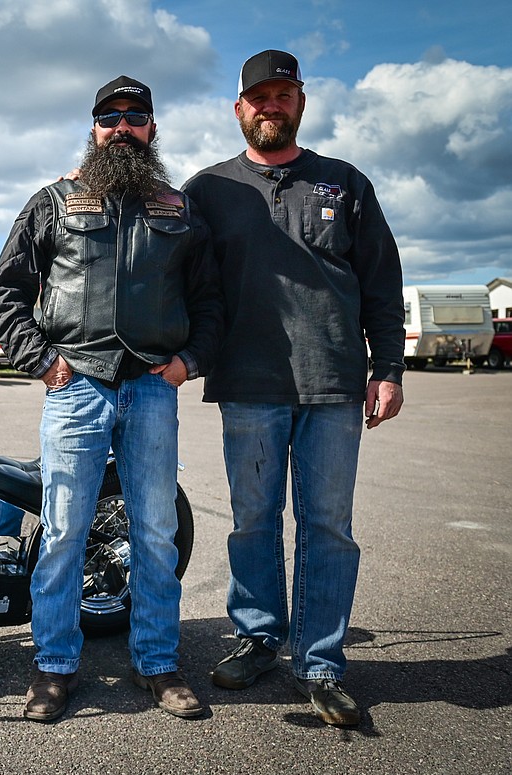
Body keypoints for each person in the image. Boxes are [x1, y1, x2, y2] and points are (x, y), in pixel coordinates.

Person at [0, 74, 222, 722]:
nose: (122, 126)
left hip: (151, 389)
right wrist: (42, 361)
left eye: (135, 116)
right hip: (77, 388)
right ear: (94, 130)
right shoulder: (54, 202)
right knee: (63, 532)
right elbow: (4, 291)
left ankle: (157, 663)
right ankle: (54, 668)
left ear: (151, 130)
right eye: (109, 117)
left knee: (154, 531)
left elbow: (211, 303)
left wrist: (186, 364)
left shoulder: (179, 210)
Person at [182, 49, 406, 728]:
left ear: (300, 103)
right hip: (247, 385)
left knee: (328, 529)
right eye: (259, 97)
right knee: (254, 522)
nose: (271, 106)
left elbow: (383, 285)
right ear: (239, 108)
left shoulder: (344, 184)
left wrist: (388, 369)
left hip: (334, 384)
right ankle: (257, 637)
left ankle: (321, 664)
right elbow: (181, 284)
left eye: (283, 95)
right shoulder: (207, 191)